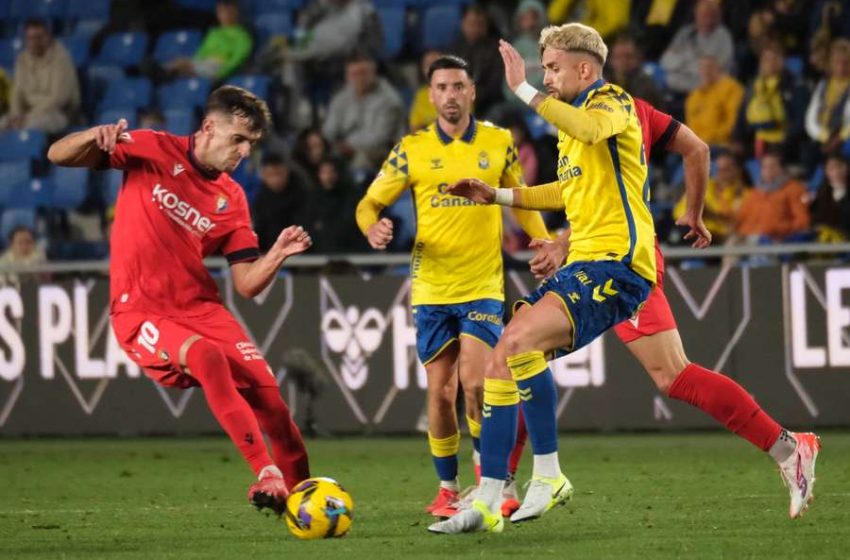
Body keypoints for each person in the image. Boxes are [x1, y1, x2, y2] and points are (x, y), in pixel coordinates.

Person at [432, 22, 820, 535]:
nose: (546, 76)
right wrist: (500, 196)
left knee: (518, 343)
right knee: (666, 373)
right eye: (543, 69)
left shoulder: (613, 103)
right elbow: (577, 192)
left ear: (584, 68)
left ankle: (522, 481)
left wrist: (521, 86)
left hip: (618, 263)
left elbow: (683, 151)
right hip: (599, 258)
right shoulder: (571, 130)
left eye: (552, 67)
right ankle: (789, 448)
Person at [46, 86, 311, 515]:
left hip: (200, 307)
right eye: (239, 139)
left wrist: (276, 255)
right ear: (209, 127)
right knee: (205, 356)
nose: (244, 151)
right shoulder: (153, 148)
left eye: (252, 144)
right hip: (141, 310)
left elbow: (245, 283)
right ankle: (265, 472)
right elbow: (58, 154)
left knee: (273, 404)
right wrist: (94, 136)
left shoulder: (233, 200)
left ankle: (303, 505)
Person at [355, 54, 549, 519]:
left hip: (482, 280)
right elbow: (369, 202)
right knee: (441, 392)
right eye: (441, 87)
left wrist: (539, 236)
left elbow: (519, 197)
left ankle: (493, 482)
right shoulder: (412, 148)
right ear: (430, 94)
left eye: (458, 86)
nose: (450, 95)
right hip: (431, 287)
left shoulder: (499, 142)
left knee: (476, 382)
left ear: (472, 91)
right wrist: (372, 227)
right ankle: (447, 489)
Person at [322, 52, 405, 171]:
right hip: (343, 148)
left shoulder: (389, 99)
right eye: (354, 74)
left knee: (361, 159)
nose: (359, 78)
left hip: (381, 151)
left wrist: (348, 145)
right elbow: (329, 129)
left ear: (373, 73)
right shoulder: (341, 97)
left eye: (363, 73)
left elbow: (379, 138)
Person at [734, 41, 807, 161]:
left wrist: (786, 139)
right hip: (755, 138)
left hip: (785, 142)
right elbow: (742, 115)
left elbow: (800, 120)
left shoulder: (795, 85)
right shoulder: (753, 86)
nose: (771, 63)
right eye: (766, 59)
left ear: (783, 61)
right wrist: (737, 139)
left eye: (775, 58)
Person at [5, 18, 80, 134]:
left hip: (59, 113)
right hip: (27, 113)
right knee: (4, 125)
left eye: (38, 37)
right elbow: (17, 93)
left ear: (48, 37)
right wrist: (16, 114)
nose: (34, 42)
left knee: (29, 126)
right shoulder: (22, 59)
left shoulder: (61, 58)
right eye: (30, 38)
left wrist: (28, 113)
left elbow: (58, 99)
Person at [660, 0, 735, 95]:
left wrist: (683, 58)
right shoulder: (685, 33)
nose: (708, 20)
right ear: (695, 14)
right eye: (704, 15)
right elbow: (665, 61)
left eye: (711, 15)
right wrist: (694, 62)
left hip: (705, 86)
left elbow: (719, 71)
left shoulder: (723, 37)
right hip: (677, 81)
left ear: (718, 16)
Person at [674, 151, 749, 244]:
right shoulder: (704, 186)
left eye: (726, 170)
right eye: (718, 169)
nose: (720, 174)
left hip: (719, 239)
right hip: (692, 232)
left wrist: (710, 214)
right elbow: (679, 213)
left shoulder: (744, 194)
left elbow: (735, 225)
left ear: (737, 171)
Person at [736, 150, 810, 243]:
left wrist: (779, 230)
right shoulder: (754, 192)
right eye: (764, 167)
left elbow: (802, 221)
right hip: (746, 237)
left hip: (776, 241)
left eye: (772, 167)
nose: (768, 170)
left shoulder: (794, 189)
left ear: (782, 169)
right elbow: (740, 218)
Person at [167, 0, 252, 81]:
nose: (224, 15)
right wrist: (195, 62)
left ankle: (167, 73)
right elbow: (202, 52)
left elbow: (238, 58)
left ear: (235, 12)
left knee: (181, 65)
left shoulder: (242, 35)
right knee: (179, 64)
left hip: (218, 65)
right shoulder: (214, 33)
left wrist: (222, 73)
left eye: (227, 11)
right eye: (220, 12)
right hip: (203, 63)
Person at [251, 153, 313, 252]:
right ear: (263, 175)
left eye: (279, 174)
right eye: (271, 175)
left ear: (287, 172)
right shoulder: (260, 199)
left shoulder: (302, 196)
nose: (276, 180)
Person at [684, 55, 744, 148]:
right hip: (699, 145)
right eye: (703, 68)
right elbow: (691, 125)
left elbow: (733, 122)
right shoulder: (694, 96)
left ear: (719, 69)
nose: (706, 71)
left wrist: (710, 138)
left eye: (710, 67)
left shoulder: (731, 88)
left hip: (722, 144)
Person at [805, 38, 850, 159]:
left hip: (843, 139)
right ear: (830, 63)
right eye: (837, 62)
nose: (841, 67)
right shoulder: (823, 84)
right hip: (823, 136)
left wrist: (837, 139)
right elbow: (811, 116)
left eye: (846, 63)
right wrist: (823, 135)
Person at [810, 152, 850, 241]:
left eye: (839, 166)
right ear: (826, 172)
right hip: (827, 242)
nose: (837, 172)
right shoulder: (821, 194)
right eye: (831, 168)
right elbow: (816, 221)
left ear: (847, 167)